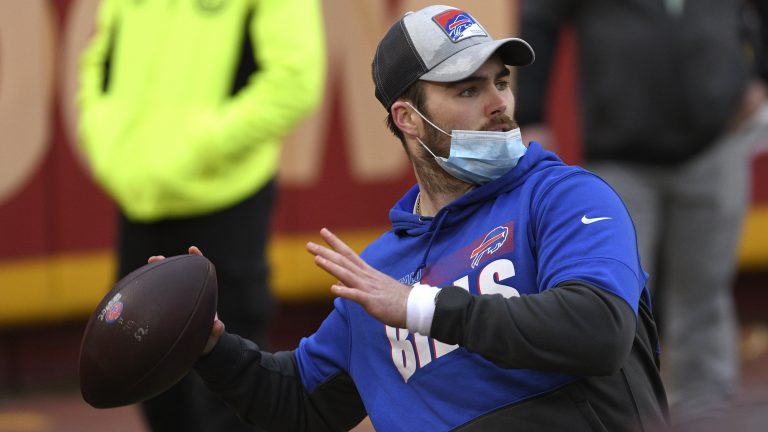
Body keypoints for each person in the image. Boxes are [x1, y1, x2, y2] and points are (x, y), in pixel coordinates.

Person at [184, 5, 668, 431]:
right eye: (467, 91)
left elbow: (599, 330)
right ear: (408, 118)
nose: (499, 103)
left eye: (501, 82)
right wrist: (207, 347)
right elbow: (298, 402)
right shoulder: (378, 276)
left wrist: (421, 307)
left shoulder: (563, 196)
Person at [515, 1, 768, 429]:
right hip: (620, 159)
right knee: (616, 300)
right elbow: (539, 18)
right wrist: (533, 114)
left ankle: (706, 418)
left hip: (716, 144)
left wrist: (760, 75)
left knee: (704, 294)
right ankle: (625, 417)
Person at [76, 0, 326, 431]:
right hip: (139, 200)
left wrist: (196, 147)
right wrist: (110, 147)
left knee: (230, 390)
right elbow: (97, 63)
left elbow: (294, 81)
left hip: (226, 200)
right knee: (147, 376)